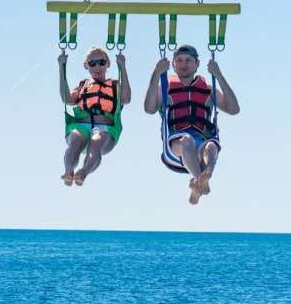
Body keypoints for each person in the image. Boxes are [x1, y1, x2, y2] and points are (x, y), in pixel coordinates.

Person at [143, 45, 240, 205]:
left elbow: (234, 109)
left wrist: (218, 75)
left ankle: (203, 179)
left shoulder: (208, 90)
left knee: (211, 147)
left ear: (197, 64)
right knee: (187, 140)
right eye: (179, 60)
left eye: (188, 60)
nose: (184, 64)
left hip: (201, 141)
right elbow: (149, 108)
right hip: (175, 146)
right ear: (173, 64)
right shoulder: (165, 88)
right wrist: (156, 74)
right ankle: (199, 179)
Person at [58, 47, 131, 186]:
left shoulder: (115, 85)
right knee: (75, 140)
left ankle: (83, 172)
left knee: (95, 142)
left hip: (104, 129)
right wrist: (62, 68)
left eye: (101, 62)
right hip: (81, 125)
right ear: (86, 66)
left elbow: (126, 99)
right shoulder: (82, 85)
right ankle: (68, 171)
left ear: (107, 64)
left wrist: (123, 67)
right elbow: (67, 99)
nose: (97, 66)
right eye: (92, 63)